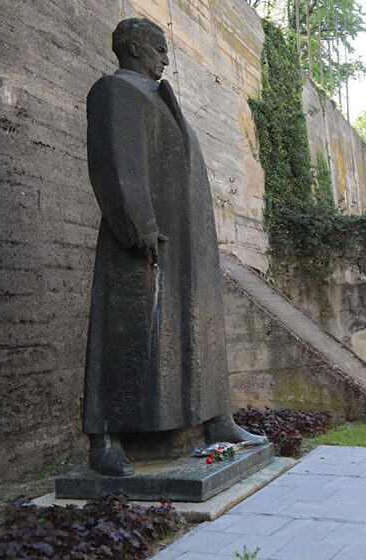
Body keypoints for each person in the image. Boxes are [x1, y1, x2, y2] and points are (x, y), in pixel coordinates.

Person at [83, 18, 263, 476]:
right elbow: (114, 162)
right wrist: (136, 223)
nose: (166, 56)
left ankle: (216, 421)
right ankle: (105, 439)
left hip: (186, 238)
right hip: (147, 236)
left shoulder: (154, 95)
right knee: (124, 332)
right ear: (136, 48)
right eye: (160, 48)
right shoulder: (115, 90)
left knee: (197, 331)